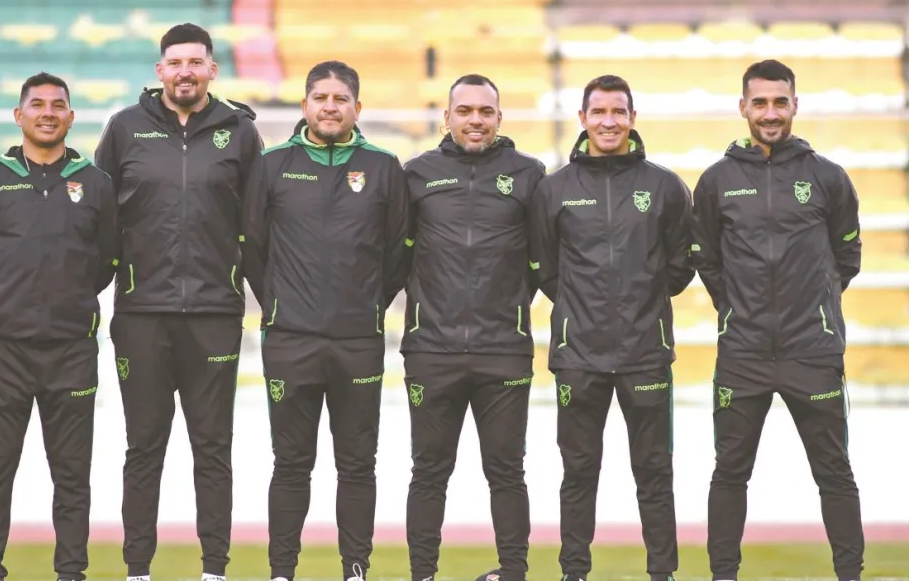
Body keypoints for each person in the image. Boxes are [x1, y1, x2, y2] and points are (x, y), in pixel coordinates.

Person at [93, 23, 265, 581]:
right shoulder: (123, 129)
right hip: (141, 315)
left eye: (196, 62)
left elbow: (258, 227)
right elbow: (96, 219)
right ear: (160, 70)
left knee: (213, 448)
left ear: (213, 70)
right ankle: (137, 570)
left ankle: (214, 569)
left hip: (216, 314)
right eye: (175, 62)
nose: (185, 71)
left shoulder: (240, 132)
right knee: (143, 448)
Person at [691, 59, 865, 581]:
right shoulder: (717, 180)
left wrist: (814, 307)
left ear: (795, 105)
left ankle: (850, 575)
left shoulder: (828, 177)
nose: (770, 112)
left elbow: (847, 258)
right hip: (742, 354)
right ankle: (723, 575)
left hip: (812, 351)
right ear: (743, 107)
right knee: (729, 474)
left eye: (780, 101)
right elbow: (707, 260)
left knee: (834, 473)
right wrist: (739, 309)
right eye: (760, 102)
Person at [239, 60, 409, 581]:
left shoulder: (383, 167)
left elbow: (399, 254)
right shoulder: (271, 165)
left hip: (358, 339)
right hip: (290, 339)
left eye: (341, 98)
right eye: (321, 98)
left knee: (357, 465)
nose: (330, 107)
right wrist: (282, 306)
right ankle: (281, 572)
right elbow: (253, 250)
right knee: (291, 465)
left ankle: (355, 569)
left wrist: (366, 305)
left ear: (357, 106)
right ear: (305, 105)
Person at [0, 72, 118, 581]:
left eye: (57, 105)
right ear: (18, 116)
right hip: (5, 352)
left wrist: (66, 306)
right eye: (37, 104)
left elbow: (108, 261)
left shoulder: (95, 183)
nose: (48, 112)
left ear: (70, 116)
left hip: (72, 352)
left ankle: (71, 573)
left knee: (71, 477)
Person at [529, 74, 695, 581]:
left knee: (654, 474)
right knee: (579, 473)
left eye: (617, 112)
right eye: (598, 112)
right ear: (582, 119)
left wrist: (638, 303)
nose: (608, 122)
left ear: (632, 118)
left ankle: (662, 574)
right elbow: (544, 268)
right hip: (578, 356)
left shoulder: (664, 186)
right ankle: (574, 572)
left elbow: (680, 266)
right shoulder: (553, 188)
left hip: (647, 352)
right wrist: (585, 309)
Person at [398, 74, 545, 581]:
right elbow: (397, 258)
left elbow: (543, 261)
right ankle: (423, 574)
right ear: (448, 117)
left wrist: (508, 309)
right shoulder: (416, 174)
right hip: (430, 351)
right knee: (429, 472)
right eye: (465, 111)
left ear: (500, 118)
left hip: (504, 349)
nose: (476, 120)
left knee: (507, 472)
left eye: (486, 111)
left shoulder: (530, 174)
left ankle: (514, 572)